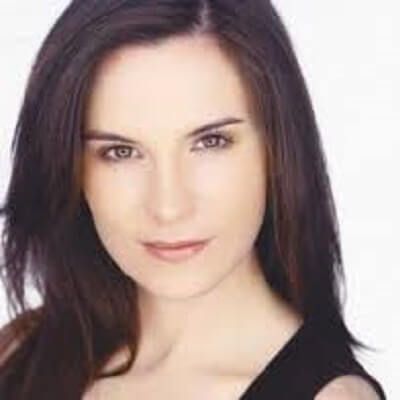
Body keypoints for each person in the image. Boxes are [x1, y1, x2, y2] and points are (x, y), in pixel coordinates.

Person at [0, 1, 386, 399]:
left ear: (277, 148)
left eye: (210, 142)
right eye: (120, 152)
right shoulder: (20, 351)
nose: (168, 207)